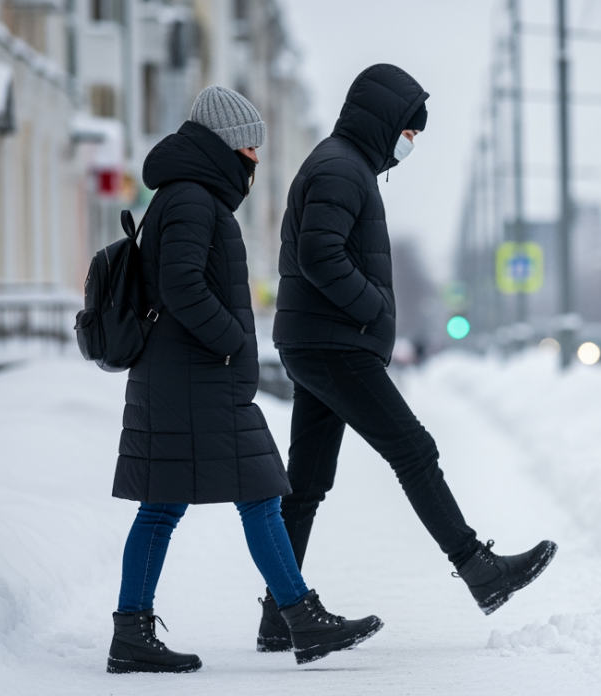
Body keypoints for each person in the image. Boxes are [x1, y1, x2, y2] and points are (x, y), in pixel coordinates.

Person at [257, 64, 557, 651]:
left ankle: (279, 614)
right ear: (385, 121)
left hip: (315, 341)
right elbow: (320, 253)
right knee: (414, 450)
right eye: (410, 131)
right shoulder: (342, 168)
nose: (411, 143)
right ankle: (480, 572)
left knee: (307, 482)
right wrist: (370, 306)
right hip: (334, 343)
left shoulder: (343, 163)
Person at [107, 86, 382, 674]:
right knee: (260, 492)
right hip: (195, 377)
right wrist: (233, 341)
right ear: (225, 145)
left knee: (168, 505)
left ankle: (133, 631)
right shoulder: (190, 199)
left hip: (184, 378)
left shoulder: (190, 196)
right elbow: (181, 285)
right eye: (250, 144)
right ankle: (300, 616)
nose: (255, 156)